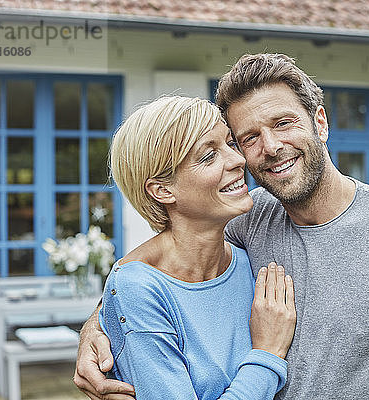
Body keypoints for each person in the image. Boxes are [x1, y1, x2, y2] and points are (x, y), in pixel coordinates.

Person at [75, 54, 369, 400]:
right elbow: (159, 264)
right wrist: (97, 326)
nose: (269, 147)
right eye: (248, 138)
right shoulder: (247, 221)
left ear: (319, 122)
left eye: (283, 123)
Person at [88, 95, 296, 400]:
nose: (238, 160)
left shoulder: (251, 256)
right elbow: (123, 285)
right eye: (208, 156)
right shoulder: (139, 289)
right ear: (162, 190)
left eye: (229, 143)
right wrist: (267, 354)